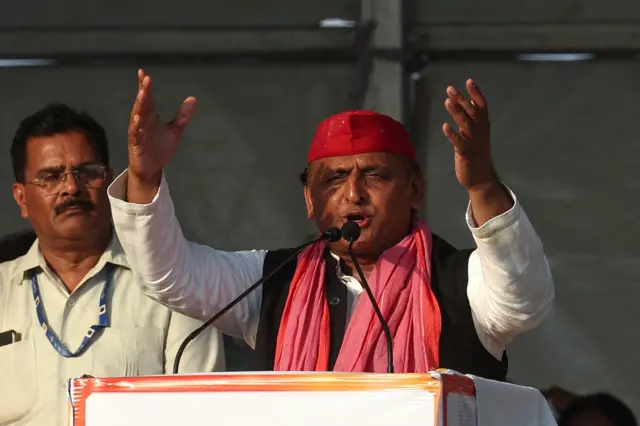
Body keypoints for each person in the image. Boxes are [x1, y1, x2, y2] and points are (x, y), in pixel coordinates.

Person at [108, 70, 554, 379]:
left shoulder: (460, 280)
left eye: (375, 175)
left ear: (414, 188)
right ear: (309, 198)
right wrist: (146, 178)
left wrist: (481, 185)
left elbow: (524, 301)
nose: (353, 193)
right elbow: (170, 277)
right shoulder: (271, 280)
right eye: (334, 178)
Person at [0, 104, 225, 426]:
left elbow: (204, 415)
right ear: (21, 198)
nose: (71, 187)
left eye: (86, 172)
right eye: (50, 177)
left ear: (108, 180)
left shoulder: (173, 286)